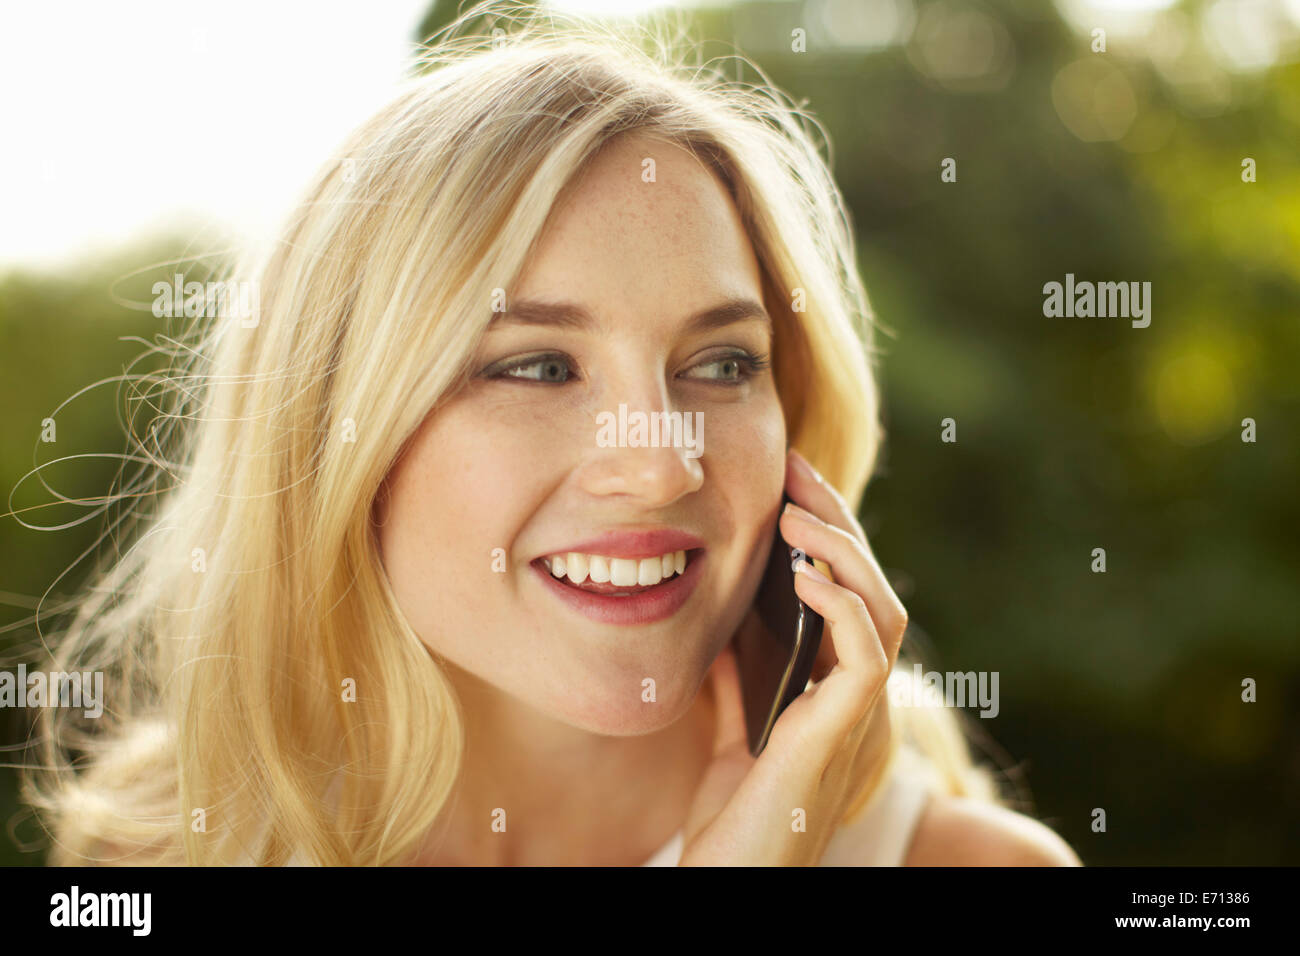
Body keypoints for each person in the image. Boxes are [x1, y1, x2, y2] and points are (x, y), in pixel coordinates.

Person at [25, 0, 1079, 866]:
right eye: (535, 364)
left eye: (721, 363)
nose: (660, 462)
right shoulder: (166, 853)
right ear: (336, 436)